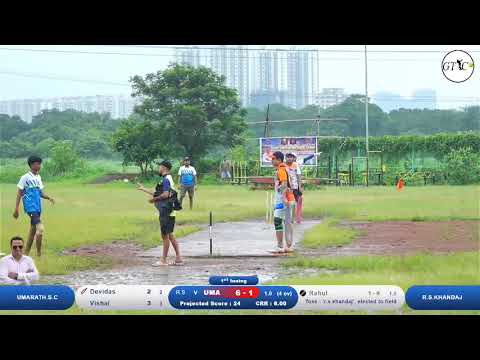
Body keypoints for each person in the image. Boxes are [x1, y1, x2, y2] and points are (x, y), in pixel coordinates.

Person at [137, 160, 184, 267]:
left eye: (160, 167)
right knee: (170, 235)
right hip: (170, 212)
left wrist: (153, 200)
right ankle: (178, 258)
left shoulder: (166, 180)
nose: (159, 169)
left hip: (166, 213)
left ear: (164, 167)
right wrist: (143, 189)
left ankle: (163, 260)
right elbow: (158, 193)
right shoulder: (168, 179)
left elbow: (165, 195)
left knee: (165, 236)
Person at [13, 155, 55, 257]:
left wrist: (49, 198)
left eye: (40, 163)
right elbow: (19, 193)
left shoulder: (38, 177)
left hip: (38, 207)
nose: (39, 166)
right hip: (30, 207)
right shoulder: (25, 177)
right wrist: (16, 208)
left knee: (33, 231)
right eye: (37, 164)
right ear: (31, 165)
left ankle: (26, 253)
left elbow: (40, 193)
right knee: (40, 229)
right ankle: (39, 254)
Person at [270, 151, 295, 254]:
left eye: (273, 159)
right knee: (287, 222)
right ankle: (288, 246)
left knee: (277, 221)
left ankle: (280, 246)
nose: (272, 161)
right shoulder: (285, 168)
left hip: (283, 199)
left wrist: (283, 197)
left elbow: (284, 184)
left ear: (279, 160)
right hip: (288, 199)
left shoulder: (281, 169)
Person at [285, 153, 303, 224]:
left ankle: (293, 219)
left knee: (294, 203)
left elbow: (299, 176)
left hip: (295, 187)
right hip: (286, 188)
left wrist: (300, 187)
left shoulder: (296, 165)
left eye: (291, 157)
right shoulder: (283, 165)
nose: (289, 158)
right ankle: (287, 218)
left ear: (293, 158)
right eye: (288, 157)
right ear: (285, 158)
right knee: (287, 203)